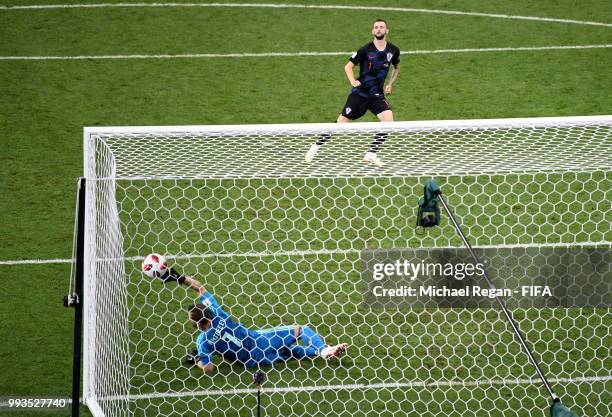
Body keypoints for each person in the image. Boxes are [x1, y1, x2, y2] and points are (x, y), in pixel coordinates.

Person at [156, 267, 348, 375]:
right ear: (208, 313)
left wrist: (198, 358)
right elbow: (199, 288)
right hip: (258, 342)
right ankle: (323, 350)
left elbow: (209, 369)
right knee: (299, 330)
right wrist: (177, 277)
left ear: (196, 325)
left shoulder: (202, 341)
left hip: (252, 361)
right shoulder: (218, 313)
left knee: (290, 352)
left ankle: (319, 353)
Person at [305, 19, 400, 167]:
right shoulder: (365, 50)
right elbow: (348, 66)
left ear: (387, 30)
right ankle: (316, 145)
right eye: (376, 27)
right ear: (372, 31)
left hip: (376, 95)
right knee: (341, 122)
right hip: (360, 93)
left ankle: (371, 154)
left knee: (388, 121)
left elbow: (396, 68)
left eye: (381, 27)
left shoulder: (394, 50)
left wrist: (389, 84)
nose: (379, 29)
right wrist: (352, 81)